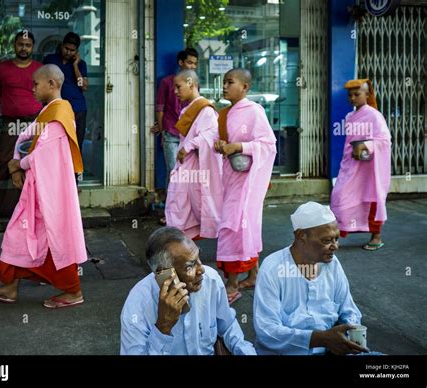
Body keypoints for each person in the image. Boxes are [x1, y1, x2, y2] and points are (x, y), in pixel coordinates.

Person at [0, 64, 87, 308]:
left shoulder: (59, 115)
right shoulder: (49, 111)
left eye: (36, 84)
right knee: (25, 236)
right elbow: (27, 138)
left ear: (52, 83)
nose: (32, 89)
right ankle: (10, 287)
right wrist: (15, 161)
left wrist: (18, 164)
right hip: (39, 189)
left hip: (49, 193)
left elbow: (43, 155)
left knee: (48, 237)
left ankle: (72, 291)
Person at [253, 202, 369, 355]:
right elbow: (267, 331)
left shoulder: (332, 263)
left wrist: (350, 332)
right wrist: (320, 339)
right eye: (327, 241)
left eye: (336, 239)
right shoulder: (272, 268)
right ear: (301, 236)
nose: (335, 246)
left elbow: (349, 309)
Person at [120, 227, 256, 355]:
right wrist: (163, 327)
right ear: (166, 275)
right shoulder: (137, 306)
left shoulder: (211, 280)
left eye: (198, 257)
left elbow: (227, 326)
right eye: (190, 266)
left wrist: (245, 351)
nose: (201, 269)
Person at [214, 69, 277, 304]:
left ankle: (231, 283)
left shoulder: (254, 112)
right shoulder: (224, 114)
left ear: (245, 87)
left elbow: (268, 144)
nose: (224, 87)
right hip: (231, 177)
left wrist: (239, 147)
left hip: (248, 181)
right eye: (223, 83)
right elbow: (220, 144)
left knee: (233, 226)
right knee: (245, 225)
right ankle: (253, 274)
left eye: (230, 82)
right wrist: (221, 145)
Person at [0, 30, 43, 228]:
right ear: (14, 45)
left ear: (33, 47)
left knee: (36, 165)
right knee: (1, 163)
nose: (24, 48)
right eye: (20, 44)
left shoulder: (40, 70)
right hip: (11, 123)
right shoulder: (2, 68)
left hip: (35, 123)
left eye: (28, 45)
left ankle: (36, 211)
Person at [331, 79, 391, 251]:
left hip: (370, 169)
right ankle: (337, 234)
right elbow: (349, 143)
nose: (352, 98)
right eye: (350, 95)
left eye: (357, 94)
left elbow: (384, 140)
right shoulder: (350, 117)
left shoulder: (374, 115)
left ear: (367, 94)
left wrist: (367, 146)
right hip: (351, 164)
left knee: (371, 198)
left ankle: (376, 236)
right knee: (339, 196)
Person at [164, 70, 223, 240]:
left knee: (184, 206)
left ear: (190, 83)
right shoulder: (189, 109)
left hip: (196, 168)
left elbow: (212, 135)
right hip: (186, 166)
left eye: (178, 87)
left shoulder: (205, 110)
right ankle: (184, 251)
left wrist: (188, 146)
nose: (175, 91)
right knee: (178, 206)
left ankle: (185, 252)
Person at [151, 48, 199, 225]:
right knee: (173, 172)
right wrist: (162, 129)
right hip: (171, 133)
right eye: (189, 62)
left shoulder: (194, 85)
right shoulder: (166, 82)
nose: (192, 66)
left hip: (188, 137)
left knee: (187, 174)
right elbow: (160, 108)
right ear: (181, 63)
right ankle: (170, 213)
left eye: (195, 63)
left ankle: (185, 213)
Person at [43, 32, 88, 153]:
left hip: (77, 109)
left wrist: (75, 66)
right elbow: (42, 82)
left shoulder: (81, 64)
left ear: (77, 51)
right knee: (54, 144)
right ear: (61, 45)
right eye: (66, 48)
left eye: (72, 50)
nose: (68, 52)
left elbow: (83, 86)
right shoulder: (50, 60)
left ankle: (74, 172)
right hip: (56, 109)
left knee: (75, 145)